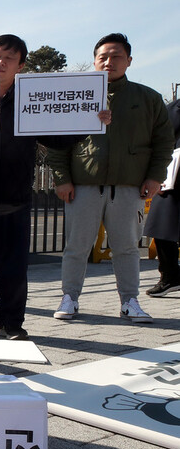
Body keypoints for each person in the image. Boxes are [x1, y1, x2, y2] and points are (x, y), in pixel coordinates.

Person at [0, 35, 79, 341]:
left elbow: (58, 140)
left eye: (9, 59)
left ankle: (10, 322)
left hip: (15, 200)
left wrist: (89, 124)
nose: (1, 63)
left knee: (13, 270)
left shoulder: (30, 100)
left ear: (20, 66)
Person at [47, 33, 174, 323]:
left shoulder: (148, 98)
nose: (109, 61)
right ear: (94, 61)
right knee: (76, 246)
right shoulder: (76, 95)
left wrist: (155, 177)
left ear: (129, 61)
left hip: (129, 187)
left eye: (116, 56)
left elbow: (163, 142)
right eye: (103, 56)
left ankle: (130, 301)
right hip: (82, 186)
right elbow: (58, 142)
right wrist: (61, 179)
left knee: (127, 247)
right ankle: (69, 298)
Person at [143, 99, 180, 296]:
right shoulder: (172, 110)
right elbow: (155, 140)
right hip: (171, 179)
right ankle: (170, 276)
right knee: (161, 229)